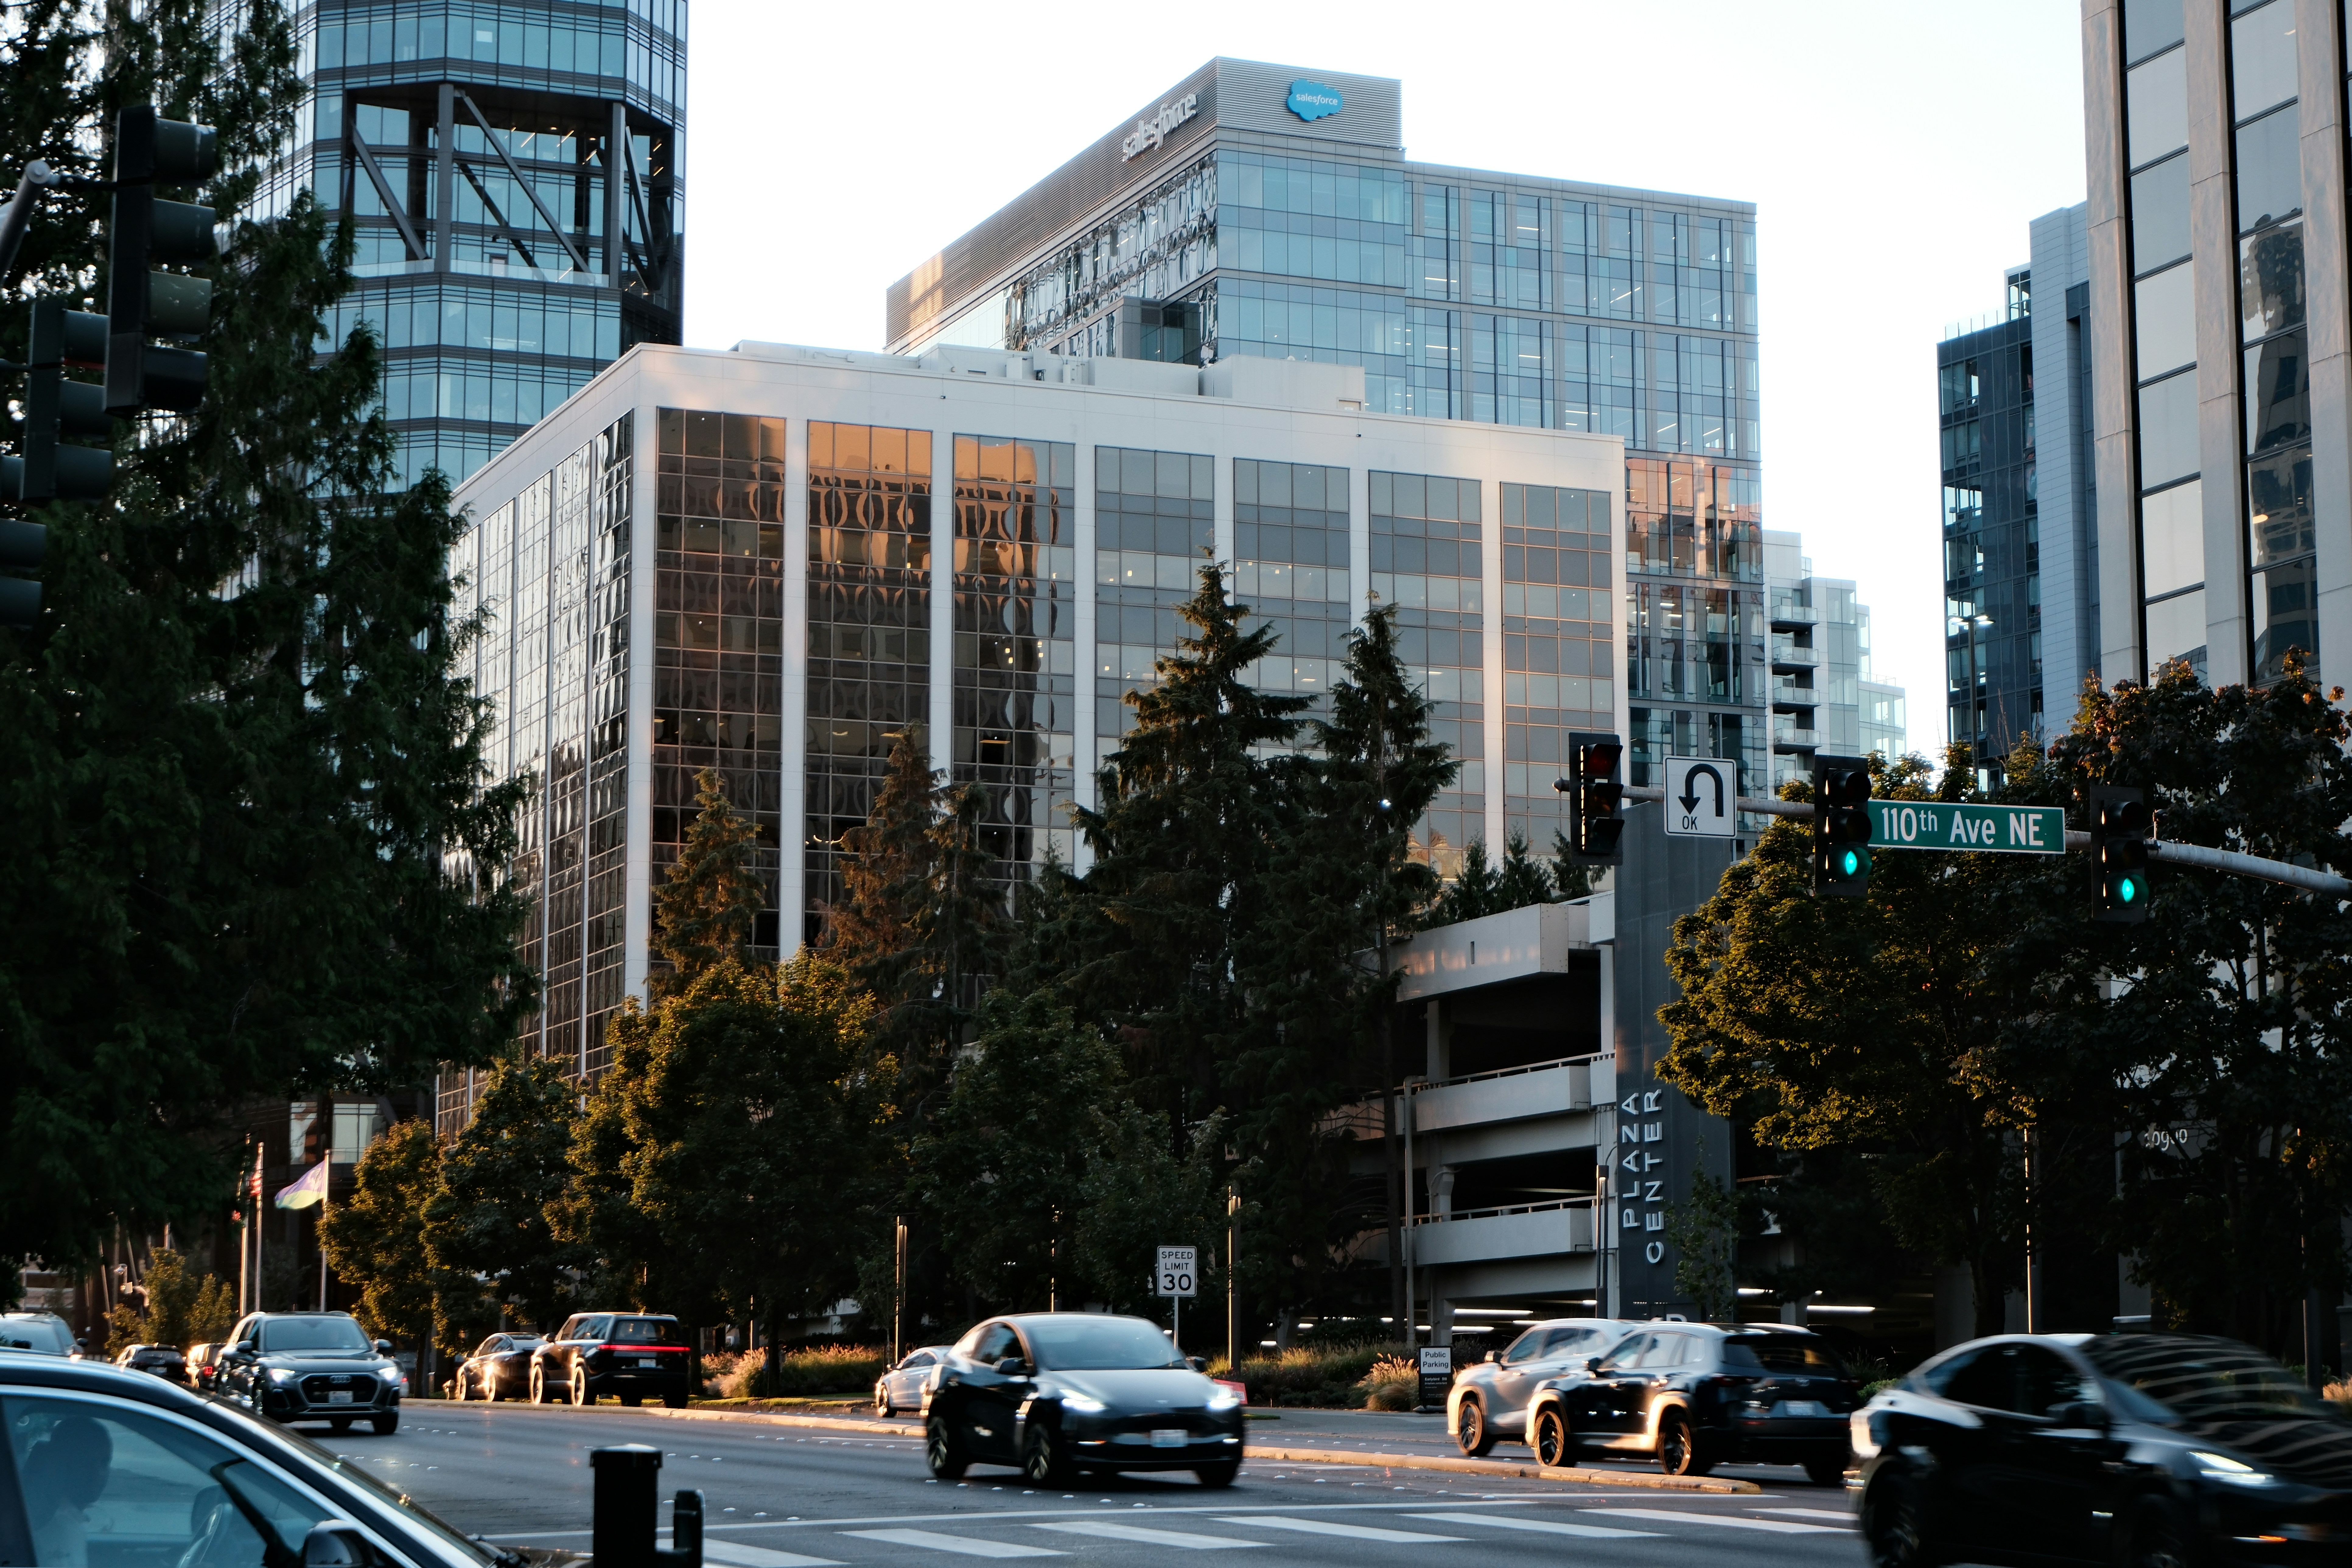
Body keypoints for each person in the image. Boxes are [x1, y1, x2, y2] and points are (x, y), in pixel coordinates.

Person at [21, 1413, 113, 1566]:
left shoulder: (61, 1516)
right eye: (85, 1463)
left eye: (104, 1462)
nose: (98, 1473)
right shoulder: (59, 1527)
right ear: (61, 1464)